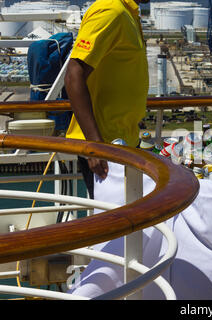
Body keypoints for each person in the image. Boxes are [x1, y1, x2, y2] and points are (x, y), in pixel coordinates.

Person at [64, 0, 150, 199]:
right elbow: (73, 74)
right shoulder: (110, 11)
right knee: (114, 222)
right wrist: (96, 145)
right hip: (105, 149)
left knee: (128, 222)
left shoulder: (128, 13)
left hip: (122, 142)